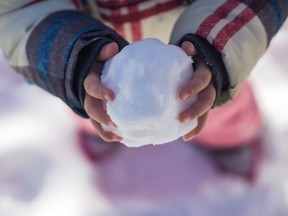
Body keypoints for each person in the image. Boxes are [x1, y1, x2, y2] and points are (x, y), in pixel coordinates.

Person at [0, 0, 287, 179]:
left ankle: (232, 140)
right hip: (93, 57)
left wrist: (214, 45)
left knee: (221, 110)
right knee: (99, 111)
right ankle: (106, 132)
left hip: (199, 53)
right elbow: (18, 10)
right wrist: (73, 58)